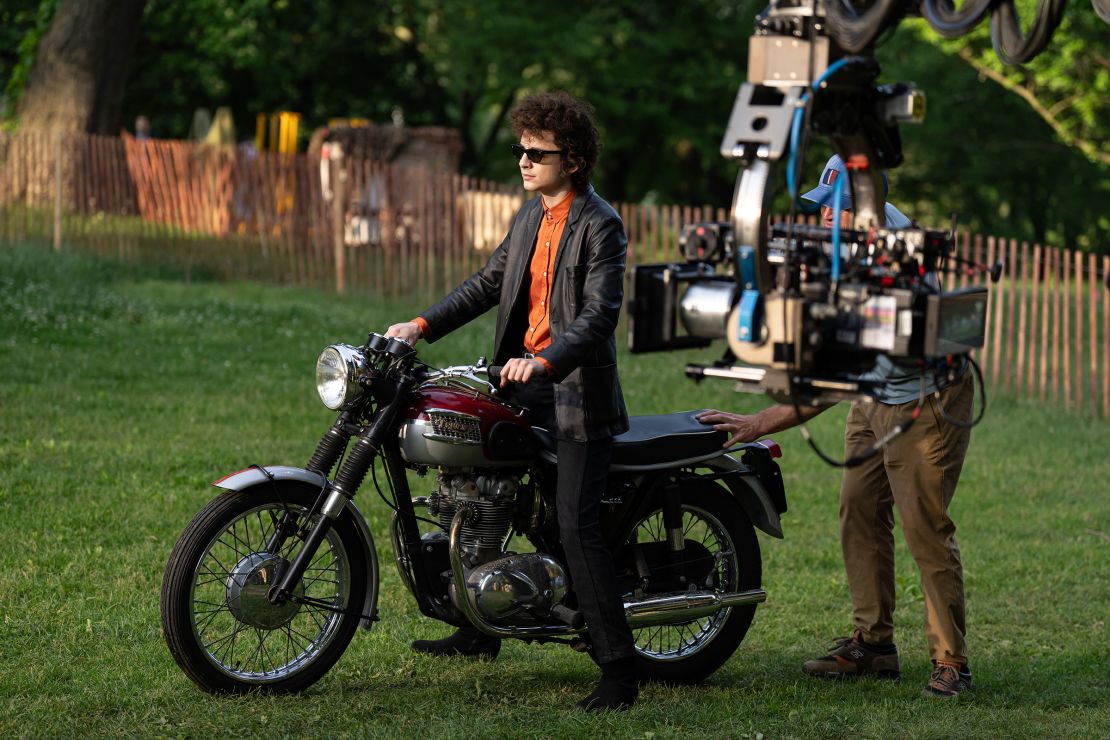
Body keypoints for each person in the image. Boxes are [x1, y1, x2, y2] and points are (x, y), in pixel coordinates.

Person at [384, 91, 638, 711]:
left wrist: (547, 359)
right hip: (520, 383)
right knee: (469, 492)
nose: (523, 161)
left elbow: (600, 315)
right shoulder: (530, 217)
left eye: (537, 152)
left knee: (575, 526)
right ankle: (480, 622)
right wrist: (421, 325)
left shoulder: (600, 223)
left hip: (573, 393)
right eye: (520, 149)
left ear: (573, 159)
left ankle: (620, 671)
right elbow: (489, 283)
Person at [697, 154, 975, 699]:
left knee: (926, 529)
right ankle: (873, 645)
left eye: (836, 209)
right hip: (871, 391)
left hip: (922, 399)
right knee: (859, 509)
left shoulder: (898, 259)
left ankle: (951, 662)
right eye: (822, 208)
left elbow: (835, 378)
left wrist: (762, 421)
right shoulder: (847, 245)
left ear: (867, 209)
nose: (824, 218)